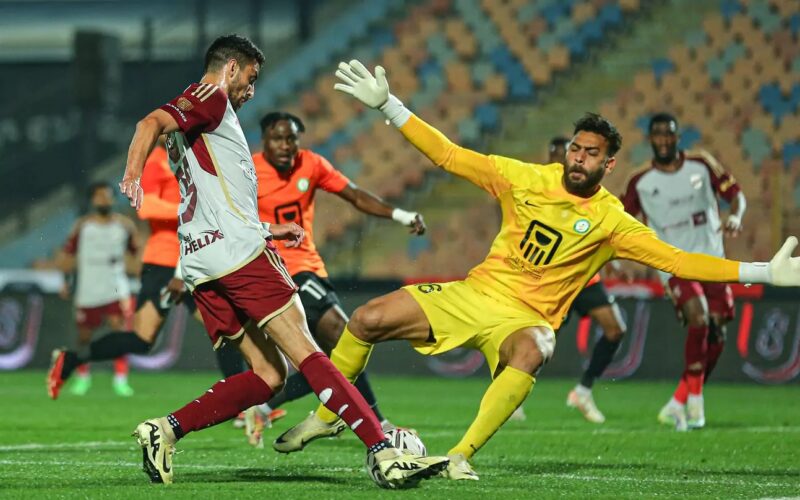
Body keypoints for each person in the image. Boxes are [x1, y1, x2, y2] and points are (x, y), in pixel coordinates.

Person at [274, 59, 800, 481]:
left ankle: (459, 455)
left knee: (536, 347)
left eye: (591, 154)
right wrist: (390, 106)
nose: (578, 158)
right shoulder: (524, 177)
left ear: (608, 165)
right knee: (365, 319)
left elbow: (680, 260)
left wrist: (762, 271)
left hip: (523, 318)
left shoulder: (612, 222)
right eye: (575, 148)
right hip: (475, 292)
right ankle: (327, 417)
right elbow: (451, 156)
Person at [49, 35, 448, 487]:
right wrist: (132, 175)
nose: (251, 91)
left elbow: (213, 194)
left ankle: (164, 430)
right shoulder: (211, 97)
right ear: (232, 69)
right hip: (239, 259)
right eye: (251, 79)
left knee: (268, 374)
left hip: (204, 263)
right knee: (310, 350)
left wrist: (264, 228)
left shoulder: (205, 118)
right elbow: (148, 123)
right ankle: (383, 450)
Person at [253, 111, 426, 444]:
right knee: (342, 334)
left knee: (334, 357)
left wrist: (400, 214)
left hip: (307, 268)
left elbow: (355, 195)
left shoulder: (312, 164)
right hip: (272, 270)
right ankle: (379, 423)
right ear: (264, 141)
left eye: (292, 138)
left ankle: (265, 406)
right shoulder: (249, 171)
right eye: (279, 138)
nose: (287, 146)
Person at [621, 113, 747, 431]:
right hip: (674, 265)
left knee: (717, 334)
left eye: (669, 134)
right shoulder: (641, 182)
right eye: (658, 135)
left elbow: (736, 196)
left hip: (713, 261)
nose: (664, 140)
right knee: (699, 317)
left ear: (679, 137)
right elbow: (620, 222)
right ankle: (695, 401)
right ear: (650, 139)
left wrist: (735, 216)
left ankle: (677, 402)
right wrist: (616, 258)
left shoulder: (701, 164)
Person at [511, 137, 627, 424]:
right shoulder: (538, 188)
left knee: (615, 329)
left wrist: (609, 258)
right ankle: (511, 396)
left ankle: (584, 390)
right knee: (538, 345)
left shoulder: (587, 191)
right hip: (550, 282)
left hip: (585, 279)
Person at [57, 182, 139, 397]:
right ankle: (83, 377)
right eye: (99, 196)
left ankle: (121, 380)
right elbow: (68, 255)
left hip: (115, 286)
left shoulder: (125, 225)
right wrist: (65, 280)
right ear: (93, 200)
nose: (103, 200)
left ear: (113, 199)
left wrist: (140, 273)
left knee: (119, 332)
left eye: (107, 196)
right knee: (84, 336)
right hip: (88, 286)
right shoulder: (82, 226)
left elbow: (136, 251)